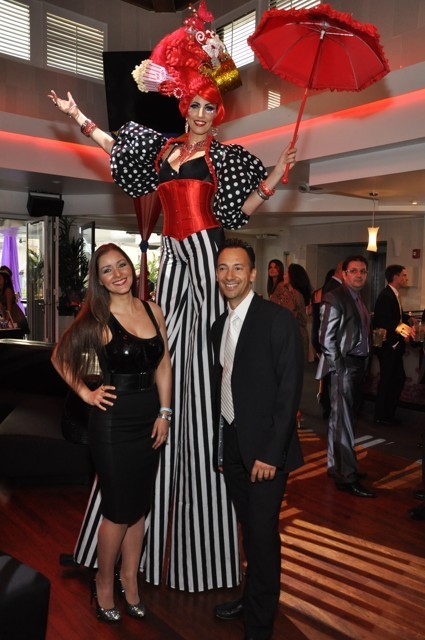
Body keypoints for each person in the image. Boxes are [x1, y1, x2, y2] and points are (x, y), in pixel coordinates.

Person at [48, 4, 297, 593]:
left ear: (218, 113)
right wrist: (79, 118)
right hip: (173, 263)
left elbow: (241, 210)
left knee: (203, 373)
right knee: (160, 353)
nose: (203, 114)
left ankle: (200, 527)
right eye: (196, 105)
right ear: (183, 106)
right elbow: (115, 147)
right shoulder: (160, 151)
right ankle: (140, 469)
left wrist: (275, 176)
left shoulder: (224, 157)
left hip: (206, 257)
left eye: (212, 107)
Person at [51, 243, 172, 622]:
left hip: (150, 418)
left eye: (122, 265)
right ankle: (104, 581)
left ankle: (129, 579)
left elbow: (163, 364)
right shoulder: (97, 319)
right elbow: (59, 356)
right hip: (113, 422)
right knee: (119, 511)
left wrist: (165, 412)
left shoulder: (152, 310)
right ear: (99, 280)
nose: (117, 274)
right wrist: (87, 394)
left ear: (132, 269)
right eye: (107, 270)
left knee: (138, 509)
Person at [211, 239, 304, 640]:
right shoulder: (218, 326)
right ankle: (252, 599)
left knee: (263, 536)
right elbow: (224, 386)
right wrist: (221, 447)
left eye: (238, 268)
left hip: (267, 451)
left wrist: (270, 452)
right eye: (222, 268)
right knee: (249, 530)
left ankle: (260, 624)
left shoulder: (276, 319)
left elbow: (289, 390)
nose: (229, 275)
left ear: (252, 273)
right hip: (232, 445)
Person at [316, 255, 376, 498]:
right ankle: (346, 477)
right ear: (344, 274)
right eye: (354, 271)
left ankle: (336, 466)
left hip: (356, 365)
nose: (359, 275)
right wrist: (339, 368)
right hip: (345, 366)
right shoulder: (335, 296)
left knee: (339, 420)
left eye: (363, 271)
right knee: (345, 423)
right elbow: (325, 338)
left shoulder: (356, 297)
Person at [373, 264, 410, 425]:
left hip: (393, 346)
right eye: (404, 275)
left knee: (396, 379)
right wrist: (403, 333)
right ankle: (382, 416)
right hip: (389, 347)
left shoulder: (392, 294)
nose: (406, 278)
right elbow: (385, 323)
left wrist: (408, 319)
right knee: (388, 380)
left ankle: (387, 414)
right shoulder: (386, 296)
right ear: (395, 277)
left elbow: (396, 316)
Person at [270, 263, 312, 365]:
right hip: (294, 336)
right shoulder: (289, 292)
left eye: (286, 274)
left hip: (294, 337)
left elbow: (286, 316)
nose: (284, 276)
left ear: (292, 277)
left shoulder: (294, 294)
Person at [311, 268, 335, 420]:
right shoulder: (331, 295)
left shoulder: (317, 293)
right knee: (329, 374)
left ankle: (325, 402)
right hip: (325, 335)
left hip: (316, 333)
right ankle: (327, 404)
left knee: (324, 372)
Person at [0, 268, 29, 334]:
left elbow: (9, 308)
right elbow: (2, 307)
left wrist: (6, 321)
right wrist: (5, 319)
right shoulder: (1, 290)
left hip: (16, 316)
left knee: (15, 335)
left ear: (5, 279)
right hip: (9, 317)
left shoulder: (8, 290)